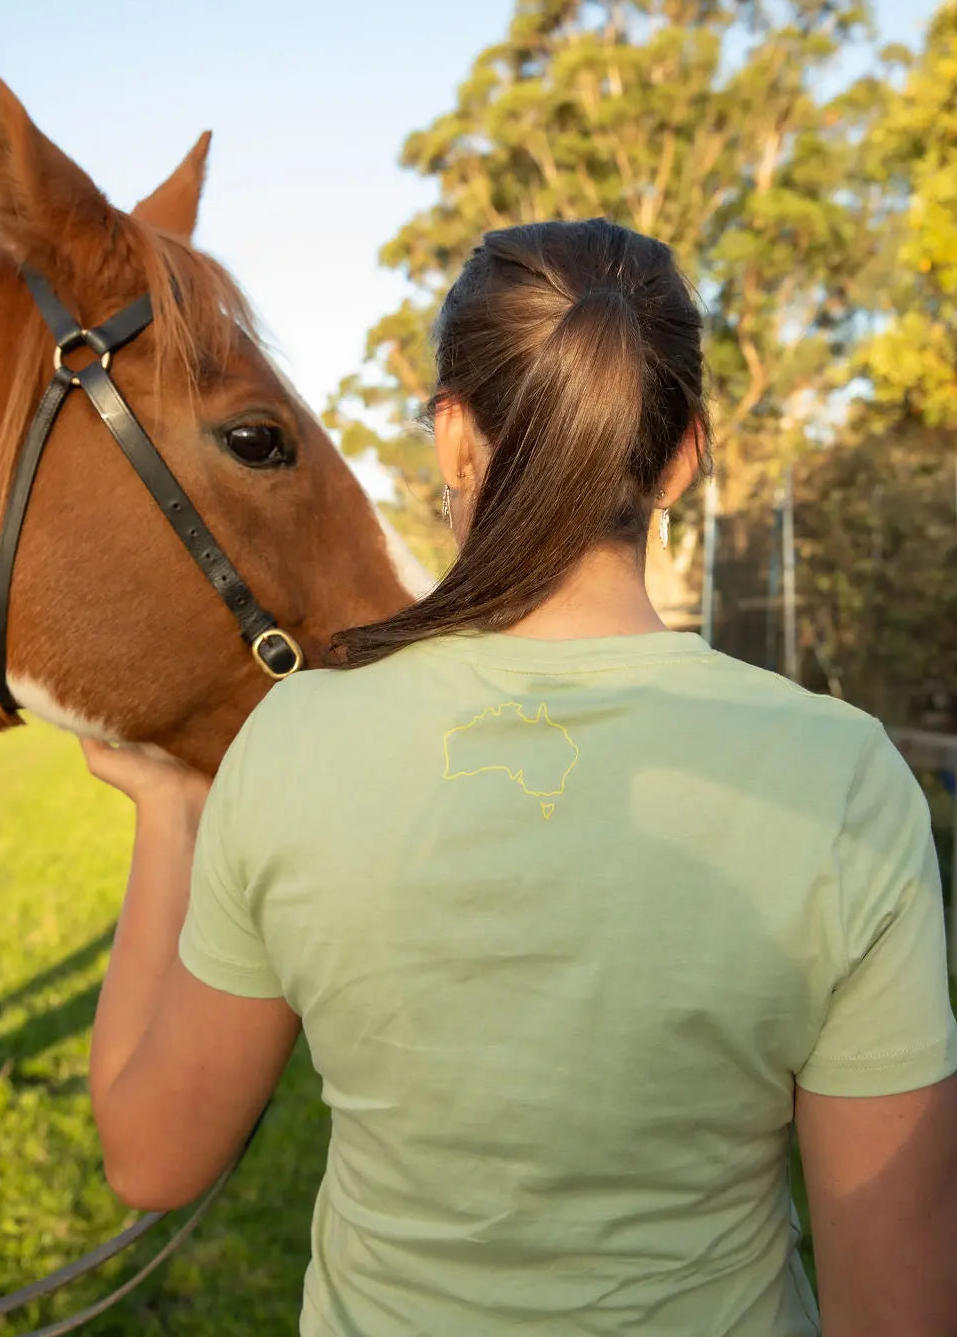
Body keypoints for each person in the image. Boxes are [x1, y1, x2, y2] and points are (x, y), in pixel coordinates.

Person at [84, 218, 957, 1337]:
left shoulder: (294, 739)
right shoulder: (842, 781)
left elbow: (151, 1155)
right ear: (684, 455)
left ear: (455, 442)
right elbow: (896, 1309)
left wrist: (168, 811)